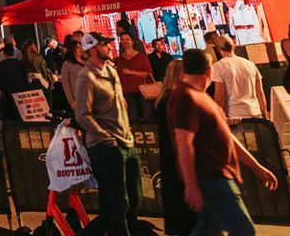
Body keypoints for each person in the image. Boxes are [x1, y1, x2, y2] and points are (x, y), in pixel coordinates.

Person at [171, 47, 277, 236]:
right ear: (209, 71)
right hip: (211, 176)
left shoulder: (200, 97)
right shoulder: (185, 97)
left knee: (208, 230)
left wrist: (257, 167)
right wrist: (191, 184)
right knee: (243, 230)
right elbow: (184, 144)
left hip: (216, 174)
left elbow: (228, 137)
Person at [71, 33, 139, 236]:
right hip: (105, 146)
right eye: (104, 45)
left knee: (133, 199)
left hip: (125, 140)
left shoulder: (111, 70)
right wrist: (105, 137)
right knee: (118, 203)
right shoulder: (86, 77)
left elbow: (120, 102)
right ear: (92, 50)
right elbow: (83, 115)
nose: (110, 47)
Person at [155, 56, 197, 236]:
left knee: (176, 201)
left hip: (169, 157)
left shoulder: (163, 99)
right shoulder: (177, 99)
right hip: (181, 156)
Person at [210, 35, 266, 125]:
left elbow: (220, 95)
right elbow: (260, 92)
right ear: (233, 46)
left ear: (217, 49)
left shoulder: (218, 67)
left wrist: (217, 117)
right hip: (256, 114)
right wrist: (265, 115)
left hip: (235, 116)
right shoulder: (250, 64)